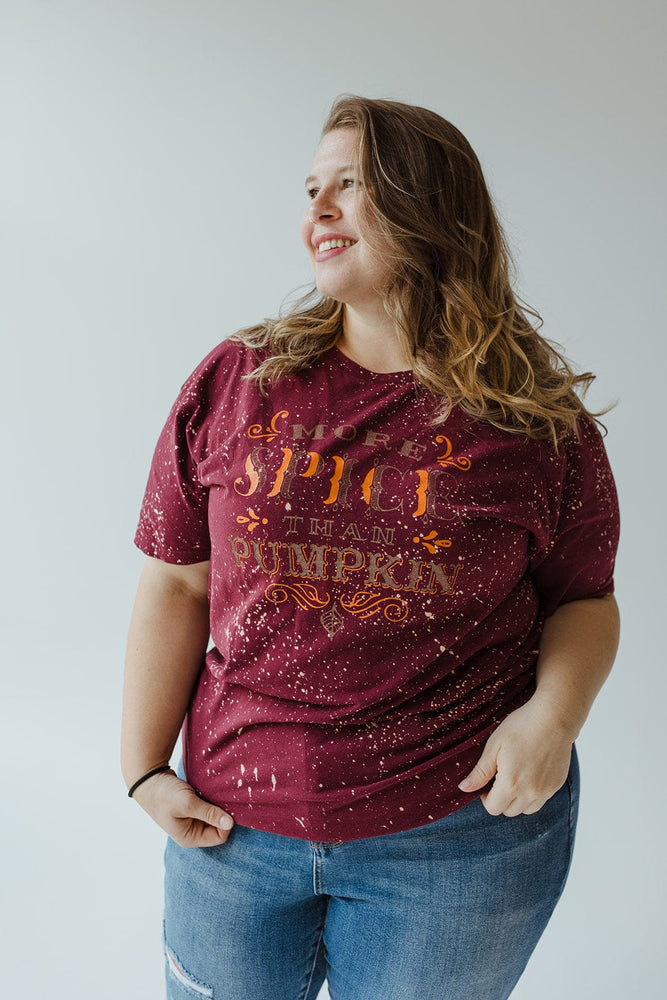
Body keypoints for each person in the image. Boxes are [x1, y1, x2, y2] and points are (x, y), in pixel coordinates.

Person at [121, 95, 620, 1000]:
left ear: (431, 206)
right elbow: (175, 586)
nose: (316, 209)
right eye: (311, 187)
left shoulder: (535, 424)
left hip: (456, 841)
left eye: (350, 185)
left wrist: (554, 719)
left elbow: (583, 598)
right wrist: (143, 770)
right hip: (231, 826)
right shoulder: (239, 381)